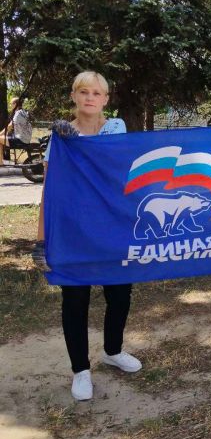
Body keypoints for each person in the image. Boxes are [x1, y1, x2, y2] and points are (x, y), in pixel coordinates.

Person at [33, 71, 142, 401]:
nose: (90, 97)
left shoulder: (115, 128)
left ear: (106, 99)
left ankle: (112, 350)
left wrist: (79, 143)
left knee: (120, 296)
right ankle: (80, 370)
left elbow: (115, 168)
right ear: (74, 96)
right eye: (84, 92)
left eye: (97, 92)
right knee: (75, 300)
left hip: (113, 229)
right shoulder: (60, 138)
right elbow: (49, 191)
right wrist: (41, 240)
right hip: (74, 231)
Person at [0, 96, 33, 164]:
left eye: (11, 103)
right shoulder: (23, 112)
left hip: (20, 140)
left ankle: (0, 162)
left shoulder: (18, 114)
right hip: (25, 138)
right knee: (1, 138)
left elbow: (9, 126)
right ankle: (0, 161)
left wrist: (0, 134)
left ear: (15, 104)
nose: (10, 105)